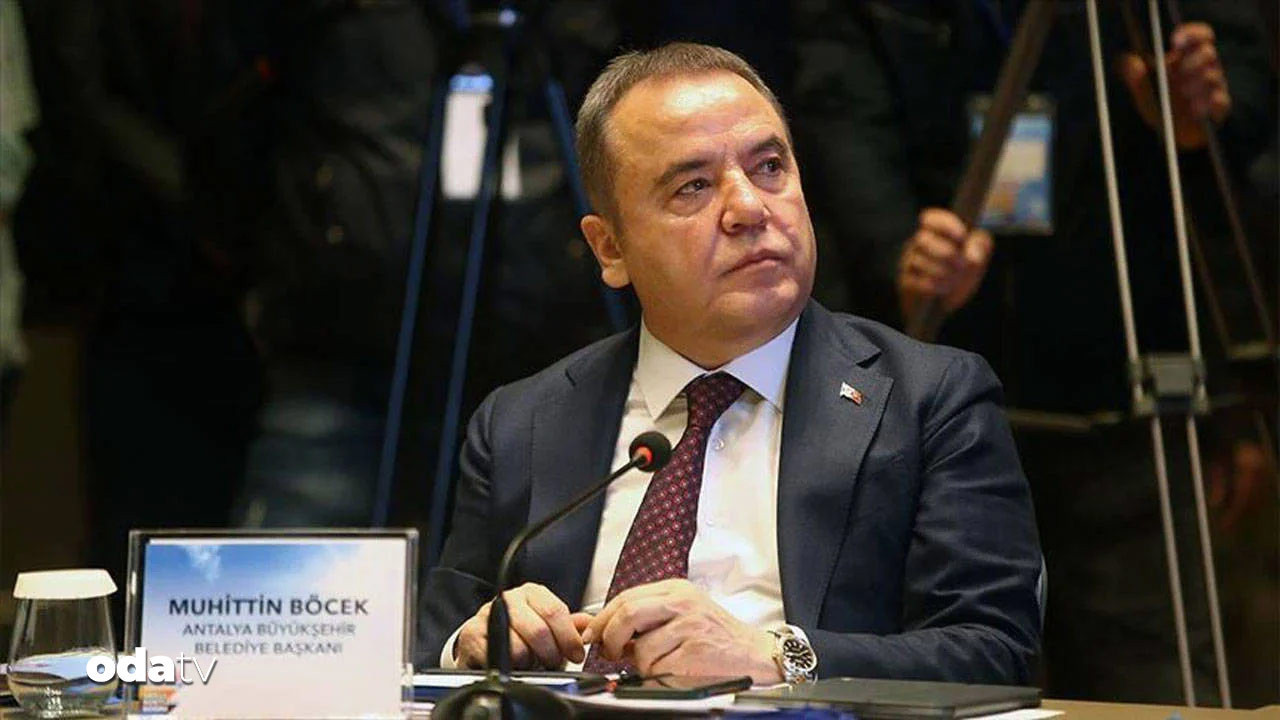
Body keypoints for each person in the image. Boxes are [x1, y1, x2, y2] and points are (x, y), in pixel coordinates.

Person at [419, 42, 1041, 684]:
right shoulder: (521, 422)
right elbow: (430, 647)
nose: (749, 208)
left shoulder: (930, 400)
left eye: (769, 167)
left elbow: (995, 653)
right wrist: (476, 641)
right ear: (610, 249)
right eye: (693, 186)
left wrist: (776, 657)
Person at [789, 0, 1276, 703]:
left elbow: (1241, 97)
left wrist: (1203, 118)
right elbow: (839, 106)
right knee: (942, 672)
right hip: (928, 381)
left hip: (1125, 379)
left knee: (1155, 683)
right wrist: (895, 247)